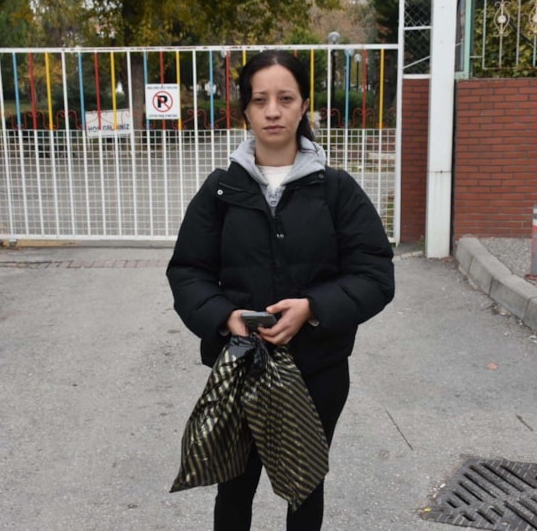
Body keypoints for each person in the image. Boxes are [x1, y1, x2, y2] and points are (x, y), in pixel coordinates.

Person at [166, 50, 395, 531]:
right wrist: (225, 317)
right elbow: (188, 271)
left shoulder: (336, 190)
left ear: (303, 105)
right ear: (245, 110)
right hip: (240, 367)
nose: (273, 111)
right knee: (234, 488)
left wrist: (313, 308)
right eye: (260, 100)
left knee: (305, 488)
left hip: (318, 369)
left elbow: (374, 273)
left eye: (285, 98)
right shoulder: (220, 191)